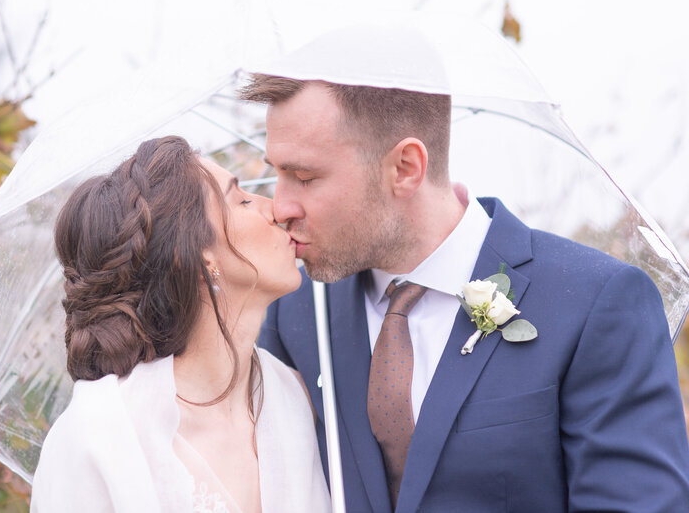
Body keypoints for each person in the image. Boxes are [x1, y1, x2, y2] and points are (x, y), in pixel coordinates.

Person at [244, 29, 689, 512]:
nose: (280, 205)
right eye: (277, 172)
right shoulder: (295, 314)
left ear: (406, 167)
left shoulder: (596, 303)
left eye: (305, 177)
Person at [30, 136, 330, 512]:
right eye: (243, 201)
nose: (278, 210)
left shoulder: (295, 397)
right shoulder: (100, 436)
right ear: (197, 254)